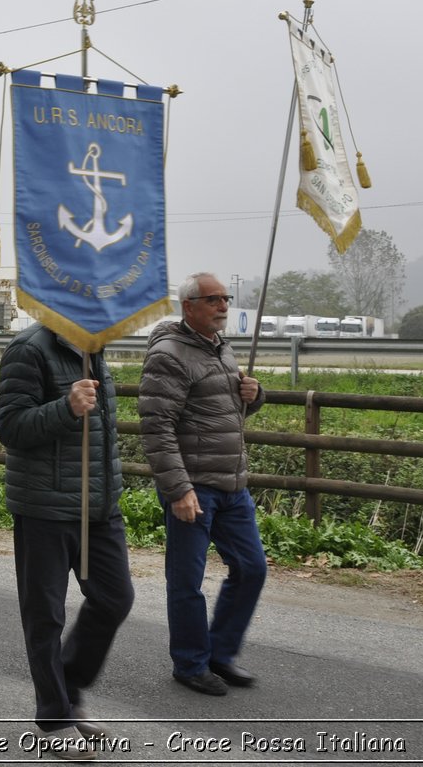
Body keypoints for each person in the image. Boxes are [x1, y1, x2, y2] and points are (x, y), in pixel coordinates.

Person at [0, 321, 132, 761]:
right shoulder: (29, 349)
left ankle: (68, 689)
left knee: (114, 599)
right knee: (45, 616)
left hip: (99, 508)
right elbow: (11, 427)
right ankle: (54, 717)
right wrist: (66, 407)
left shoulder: (97, 350)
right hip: (45, 508)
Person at [139, 272, 268, 697]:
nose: (223, 306)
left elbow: (224, 417)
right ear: (188, 306)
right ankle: (191, 663)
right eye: (213, 299)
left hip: (232, 485)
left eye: (225, 298)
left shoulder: (221, 349)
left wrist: (253, 395)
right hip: (194, 486)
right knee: (187, 581)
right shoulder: (170, 355)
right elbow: (157, 428)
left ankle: (220, 655)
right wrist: (178, 490)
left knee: (251, 569)